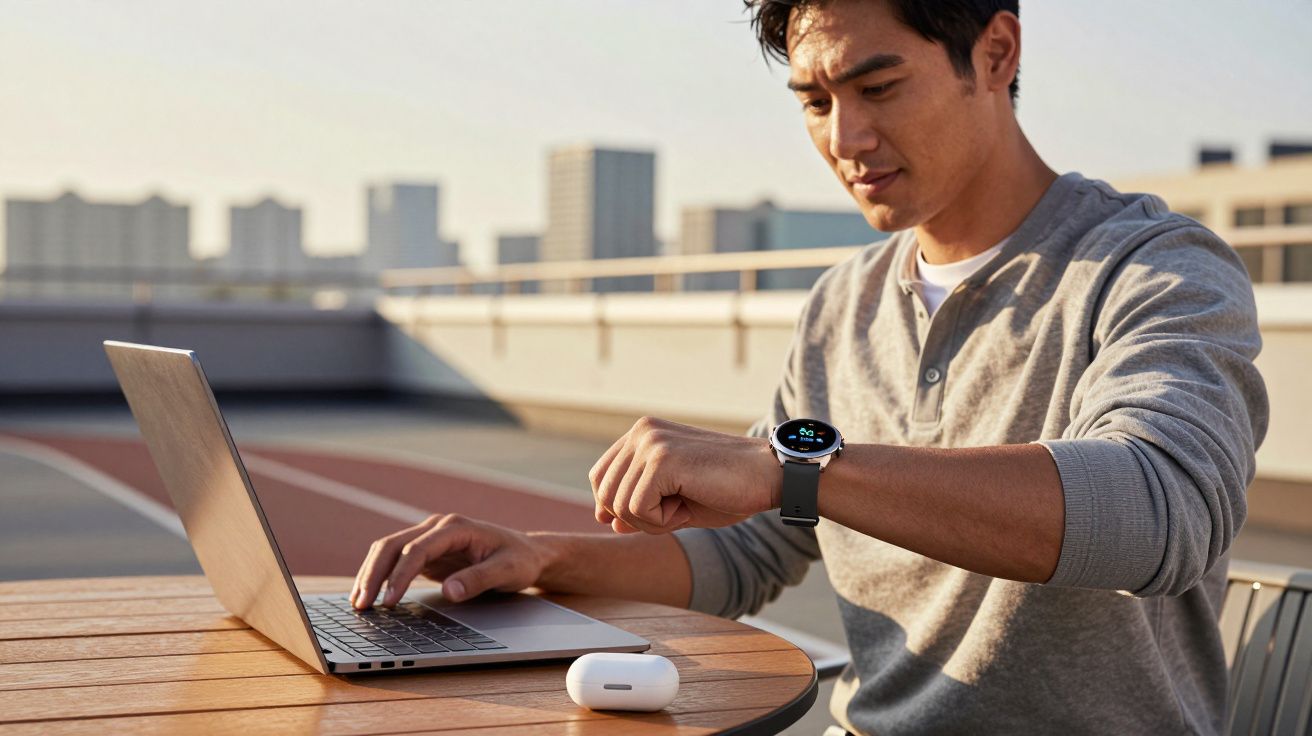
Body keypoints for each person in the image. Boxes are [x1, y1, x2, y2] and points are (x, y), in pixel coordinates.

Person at [352, 1, 1269, 733]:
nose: (845, 138)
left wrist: (797, 467)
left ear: (995, 54)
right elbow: (751, 549)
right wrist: (538, 557)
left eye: (879, 86)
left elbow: (1164, 507)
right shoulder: (844, 304)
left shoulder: (1154, 267)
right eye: (815, 102)